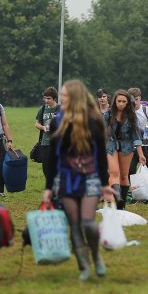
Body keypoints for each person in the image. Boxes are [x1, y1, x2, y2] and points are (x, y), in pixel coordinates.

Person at [42, 80, 113, 280]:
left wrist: (105, 184)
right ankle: (84, 266)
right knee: (74, 224)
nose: (61, 99)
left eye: (64, 95)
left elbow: (100, 156)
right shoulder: (58, 121)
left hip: (90, 177)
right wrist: (49, 187)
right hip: (65, 177)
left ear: (74, 97)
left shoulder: (94, 120)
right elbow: (54, 157)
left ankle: (96, 256)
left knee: (88, 223)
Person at [107, 89, 147, 210]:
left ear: (127, 103)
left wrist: (141, 154)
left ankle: (121, 205)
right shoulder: (108, 115)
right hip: (111, 145)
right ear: (115, 101)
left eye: (124, 101)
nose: (121, 104)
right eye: (119, 101)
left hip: (127, 146)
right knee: (114, 173)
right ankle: (118, 199)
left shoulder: (131, 116)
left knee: (124, 176)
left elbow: (136, 136)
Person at [34, 87, 60, 192]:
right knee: (46, 168)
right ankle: (52, 188)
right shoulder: (43, 109)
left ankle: (56, 189)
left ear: (54, 98)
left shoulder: (60, 109)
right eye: (45, 98)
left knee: (56, 168)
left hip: (57, 143)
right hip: (45, 142)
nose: (46, 100)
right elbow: (37, 123)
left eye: (48, 98)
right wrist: (43, 127)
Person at [129, 87, 148, 171]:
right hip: (132, 145)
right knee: (130, 169)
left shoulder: (147, 110)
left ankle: (145, 184)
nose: (135, 102)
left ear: (140, 98)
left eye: (137, 99)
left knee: (145, 169)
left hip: (146, 145)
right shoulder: (127, 112)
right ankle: (132, 184)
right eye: (133, 100)